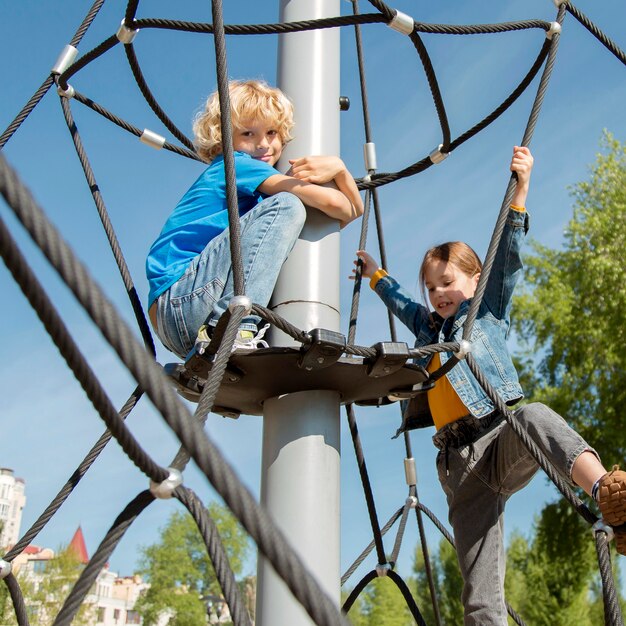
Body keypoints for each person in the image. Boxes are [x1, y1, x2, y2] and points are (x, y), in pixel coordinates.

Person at [353, 146, 626, 625]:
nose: (439, 294)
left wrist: (520, 187)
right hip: (458, 467)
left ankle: (605, 489)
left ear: (475, 280)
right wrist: (376, 275)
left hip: (500, 436)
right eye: (432, 286)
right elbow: (402, 303)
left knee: (536, 415)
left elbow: (508, 258)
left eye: (448, 282)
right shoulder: (428, 331)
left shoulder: (485, 310)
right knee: (479, 596)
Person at [146, 79, 363, 358]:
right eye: (248, 133)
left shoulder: (257, 205)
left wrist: (341, 172)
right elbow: (339, 205)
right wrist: (339, 170)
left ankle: (233, 330)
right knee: (288, 204)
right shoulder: (236, 164)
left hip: (181, 316)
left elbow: (346, 215)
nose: (263, 144)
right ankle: (234, 328)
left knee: (291, 220)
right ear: (226, 139)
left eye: (272, 132)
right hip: (182, 298)